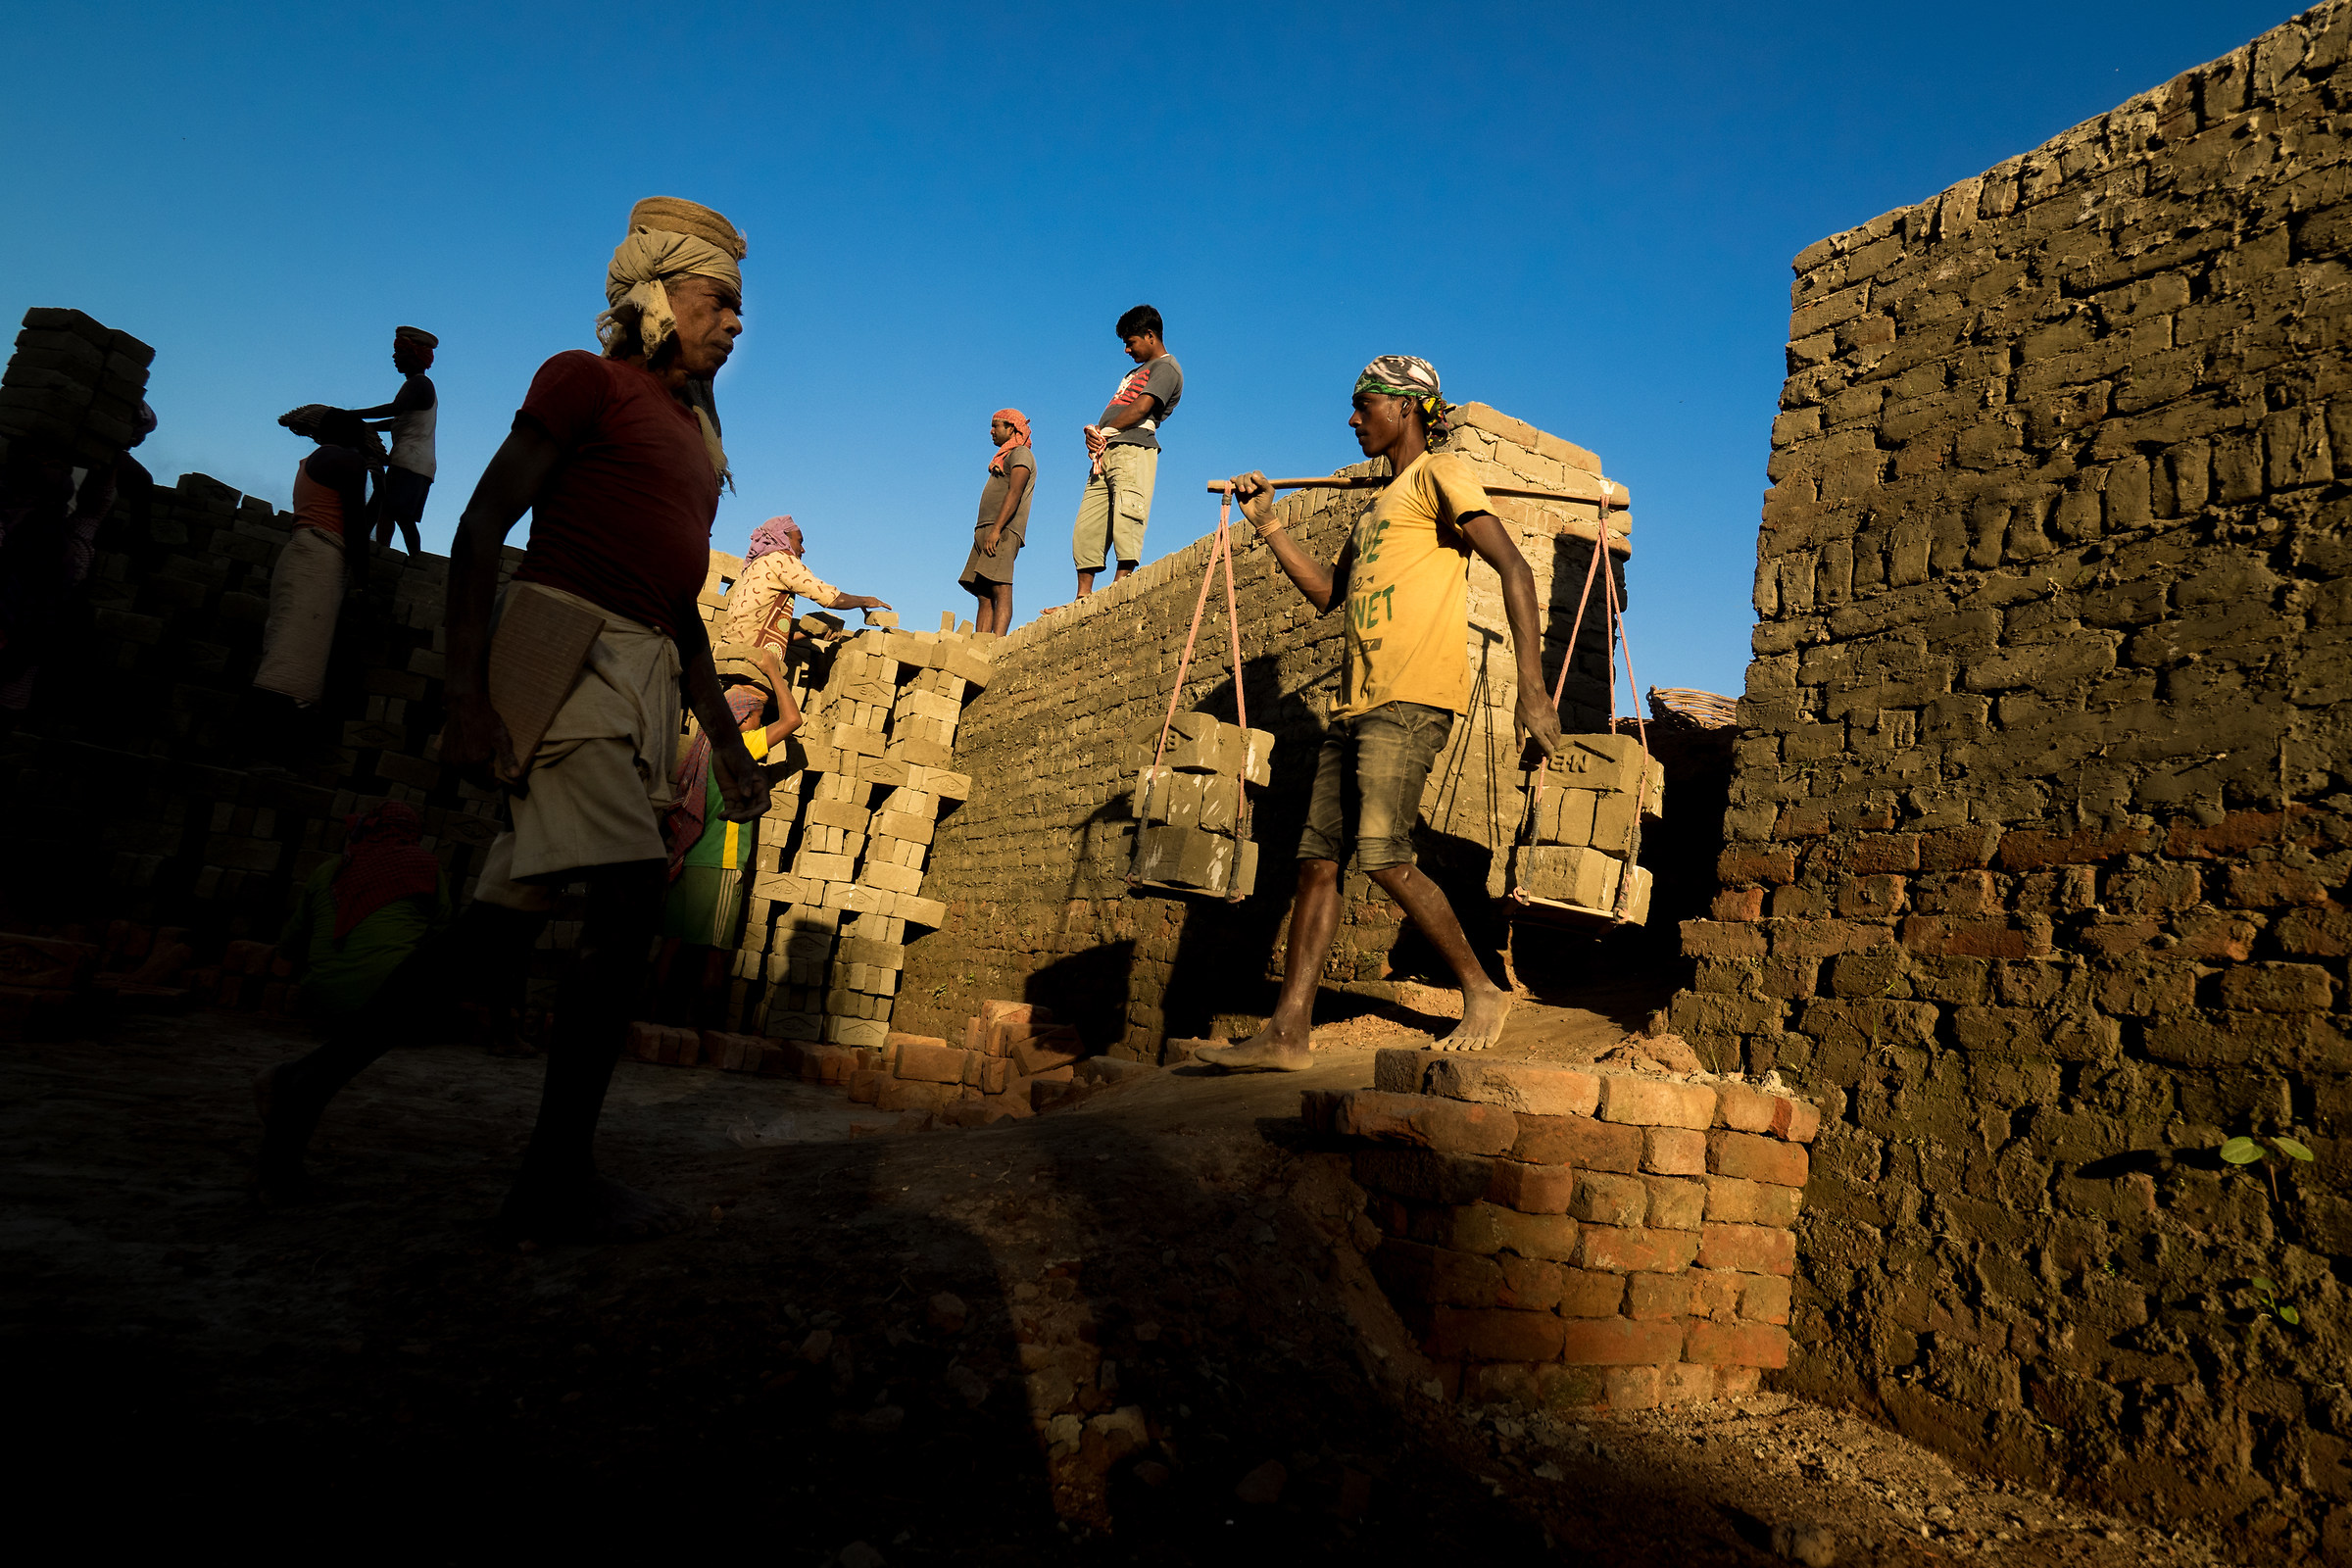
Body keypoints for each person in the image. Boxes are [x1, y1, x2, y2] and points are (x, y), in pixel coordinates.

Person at [259, 195, 767, 1243]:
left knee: (491, 936)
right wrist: (466, 696)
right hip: (562, 653)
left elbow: (678, 605)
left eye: (738, 307)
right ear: (658, 298)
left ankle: (306, 1085)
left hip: (640, 678)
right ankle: (554, 1176)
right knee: (628, 899)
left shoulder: (695, 443)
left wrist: (723, 742)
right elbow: (484, 521)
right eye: (719, 301)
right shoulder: (585, 381)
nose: (735, 323)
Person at [1196, 356, 1564, 1070]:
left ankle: (1481, 990)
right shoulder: (1373, 511)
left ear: (1407, 410)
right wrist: (1267, 522)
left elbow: (1513, 568)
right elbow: (1328, 593)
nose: (1353, 418)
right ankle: (1287, 1034)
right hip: (1354, 703)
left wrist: (1534, 688)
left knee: (1385, 854)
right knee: (1314, 864)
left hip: (1411, 697)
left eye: (1365, 406)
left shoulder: (1441, 475)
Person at [253, 802, 451, 1200]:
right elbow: (444, 931)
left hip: (320, 993)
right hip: (391, 996)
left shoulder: (330, 870)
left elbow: (292, 941)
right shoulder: (425, 866)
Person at [652, 673, 801, 1022]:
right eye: (759, 714)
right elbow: (793, 720)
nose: (760, 720)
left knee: (670, 947)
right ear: (743, 719)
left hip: (687, 861)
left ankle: (650, 1024)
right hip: (720, 863)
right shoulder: (742, 745)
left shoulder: (705, 748)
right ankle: (705, 1036)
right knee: (716, 954)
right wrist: (775, 672)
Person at [0, 402, 155, 713]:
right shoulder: (59, 450)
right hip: (36, 562)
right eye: (134, 437)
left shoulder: (100, 464)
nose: (135, 444)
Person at [252, 406, 380, 709]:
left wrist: (378, 493)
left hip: (301, 554)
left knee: (284, 650)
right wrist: (363, 587)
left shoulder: (315, 459)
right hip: (318, 562)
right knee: (292, 669)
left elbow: (353, 519)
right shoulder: (350, 461)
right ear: (355, 436)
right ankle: (263, 736)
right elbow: (357, 529)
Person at [1070, 304, 1180, 600]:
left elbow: (1142, 407)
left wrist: (1103, 432)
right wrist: (1095, 437)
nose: (1127, 350)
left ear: (1150, 336)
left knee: (1127, 516)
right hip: (1106, 454)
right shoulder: (1134, 372)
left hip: (1134, 448)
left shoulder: (1166, 367)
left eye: (1130, 343)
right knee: (1088, 525)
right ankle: (1083, 597)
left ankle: (1119, 590)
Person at [717, 514, 893, 658]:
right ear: (782, 538)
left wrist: (810, 633)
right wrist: (867, 601)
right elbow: (832, 599)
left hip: (730, 653)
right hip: (750, 658)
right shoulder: (781, 559)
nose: (803, 549)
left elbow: (758, 632)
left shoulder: (754, 567)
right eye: (799, 541)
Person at [352, 325, 438, 556]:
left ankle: (396, 557)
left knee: (395, 512)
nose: (395, 358)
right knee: (385, 508)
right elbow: (395, 421)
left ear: (414, 356)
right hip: (415, 462)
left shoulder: (419, 384)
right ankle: (374, 550)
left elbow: (394, 409)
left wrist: (351, 415)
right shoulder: (418, 387)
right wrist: (364, 425)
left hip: (410, 461)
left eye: (400, 353)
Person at [958, 408, 1033, 634]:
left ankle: (997, 645)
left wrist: (997, 529)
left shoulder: (1020, 454)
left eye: (996, 426)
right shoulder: (1003, 457)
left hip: (1002, 531)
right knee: (983, 592)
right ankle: (979, 644)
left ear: (1011, 428)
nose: (991, 431)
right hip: (986, 530)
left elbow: (1015, 492)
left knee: (1000, 587)